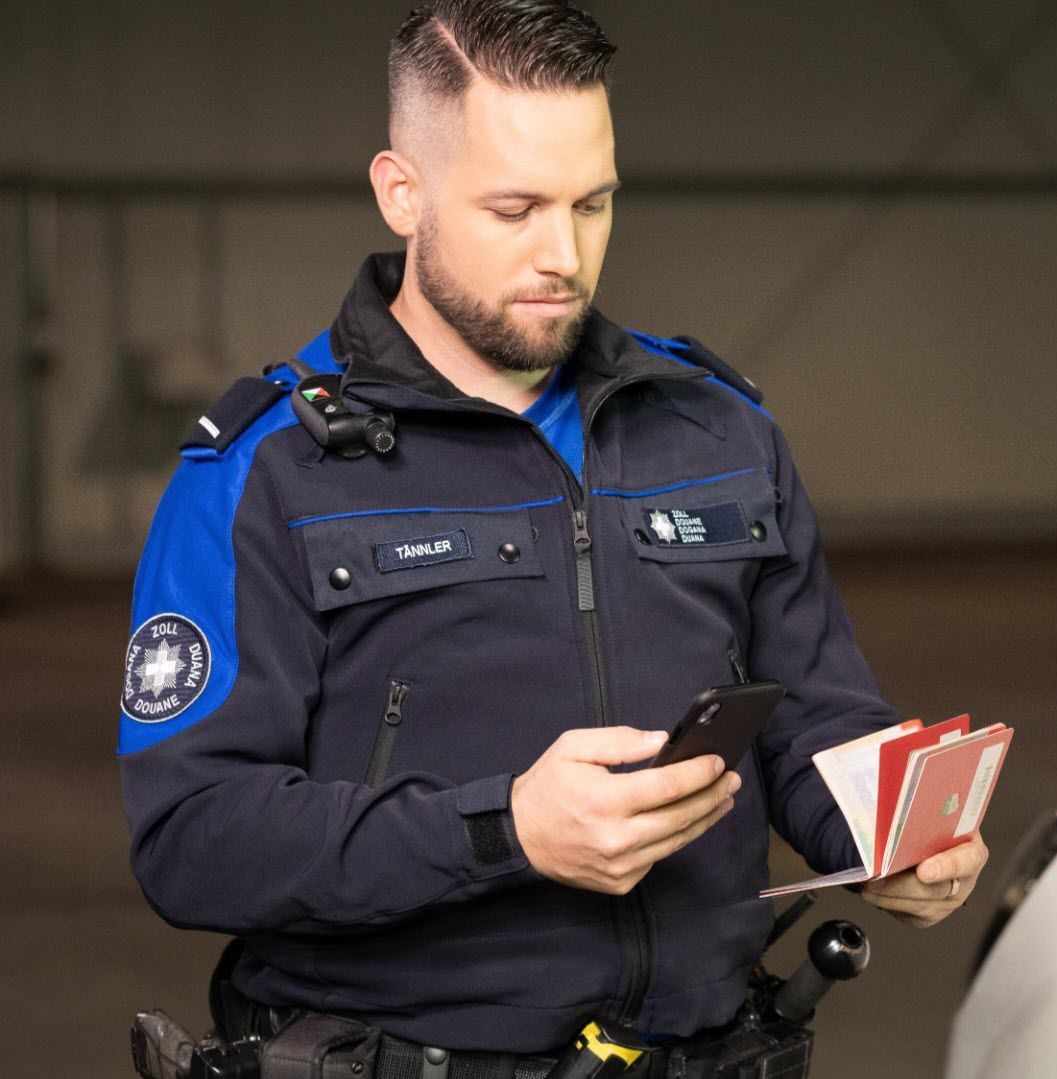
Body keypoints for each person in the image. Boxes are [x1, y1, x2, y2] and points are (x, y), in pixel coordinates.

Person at [117, 0, 986, 1060]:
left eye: (593, 203)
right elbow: (193, 838)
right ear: (403, 192)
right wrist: (506, 829)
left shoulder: (718, 427)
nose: (563, 254)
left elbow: (813, 716)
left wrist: (886, 832)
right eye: (515, 207)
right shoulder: (268, 471)